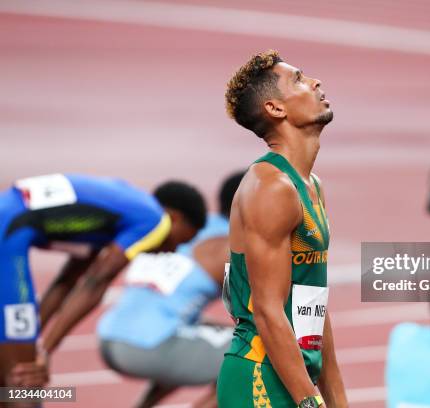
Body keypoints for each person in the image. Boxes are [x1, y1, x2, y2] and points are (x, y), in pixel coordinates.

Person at [217, 50, 347, 408]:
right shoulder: (270, 187)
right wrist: (310, 402)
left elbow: (313, 303)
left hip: (296, 380)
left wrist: (336, 399)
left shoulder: (311, 186)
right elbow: (267, 310)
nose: (315, 82)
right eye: (299, 79)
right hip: (261, 379)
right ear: (276, 109)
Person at [2, 174, 204, 393]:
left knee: (10, 371)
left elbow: (66, 283)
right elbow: (95, 283)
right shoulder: (156, 221)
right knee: (24, 382)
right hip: (10, 232)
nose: (171, 252)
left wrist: (35, 339)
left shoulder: (116, 216)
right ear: (174, 218)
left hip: (9, 217)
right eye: (181, 242)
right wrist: (44, 351)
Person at [96, 171, 245, 408]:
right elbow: (254, 317)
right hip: (146, 346)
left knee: (205, 335)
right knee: (256, 359)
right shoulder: (231, 245)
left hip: (109, 336)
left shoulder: (196, 227)